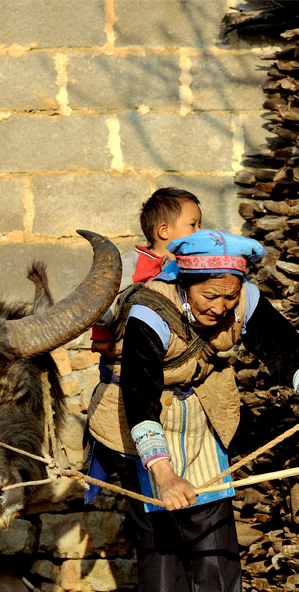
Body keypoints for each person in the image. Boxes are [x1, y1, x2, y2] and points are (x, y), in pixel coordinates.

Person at [86, 229, 299, 592]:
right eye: (210, 296)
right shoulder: (148, 312)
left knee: (216, 550)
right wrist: (166, 474)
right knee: (162, 553)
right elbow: (140, 399)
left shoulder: (240, 298)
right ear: (185, 284)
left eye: (229, 296)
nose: (222, 307)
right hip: (143, 434)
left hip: (202, 426)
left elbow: (283, 347)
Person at [84, 188, 202, 502]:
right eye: (193, 225)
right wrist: (105, 342)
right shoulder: (128, 266)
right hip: (132, 379)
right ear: (164, 231)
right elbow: (103, 308)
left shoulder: (193, 267)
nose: (198, 232)